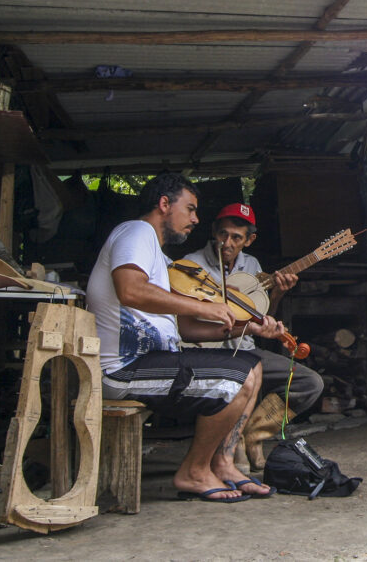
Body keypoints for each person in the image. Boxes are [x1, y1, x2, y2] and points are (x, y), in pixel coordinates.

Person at [88, 174, 284, 501]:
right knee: (235, 379)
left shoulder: (161, 259)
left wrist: (247, 327)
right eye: (190, 209)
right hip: (121, 369)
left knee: (252, 365)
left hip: (152, 362)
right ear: (164, 204)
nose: (195, 219)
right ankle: (193, 471)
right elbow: (130, 290)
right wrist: (204, 305)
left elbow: (186, 330)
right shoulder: (136, 232)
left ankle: (221, 462)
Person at [184, 202, 324, 471]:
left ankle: (255, 434)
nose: (227, 243)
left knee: (309, 383)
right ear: (213, 232)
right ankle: (231, 444)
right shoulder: (192, 264)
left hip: (245, 348)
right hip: (208, 350)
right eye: (223, 234)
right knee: (242, 377)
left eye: (236, 237)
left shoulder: (252, 265)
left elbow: (260, 316)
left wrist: (278, 294)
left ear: (249, 240)